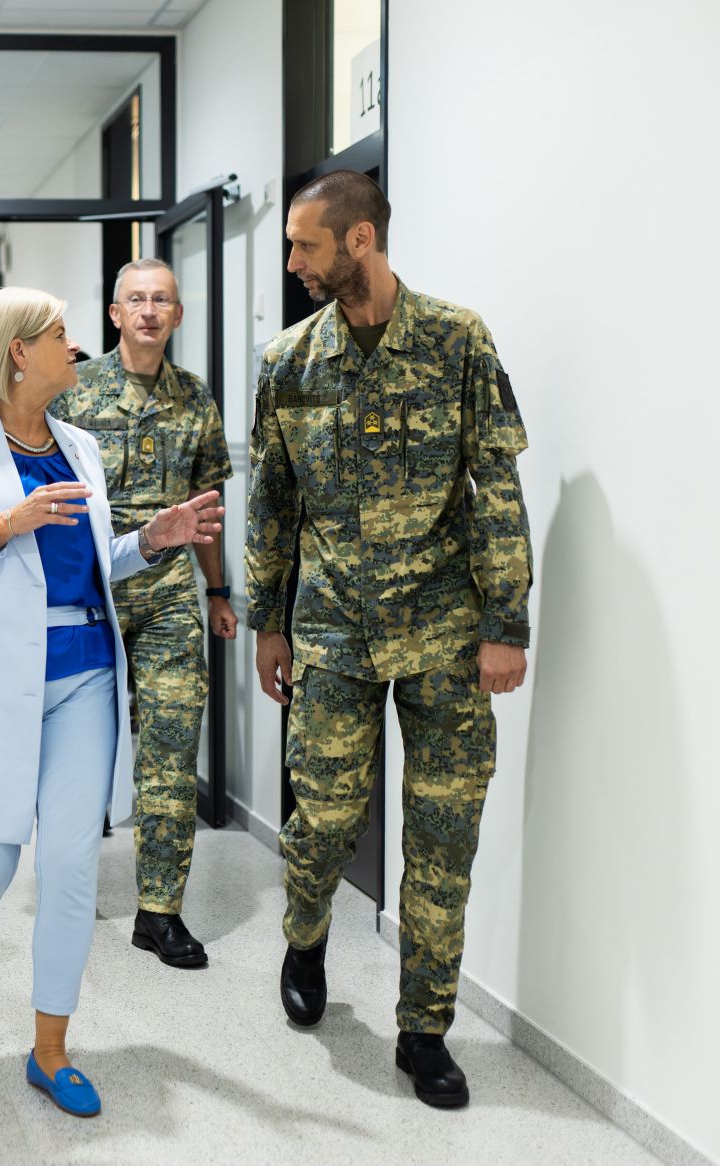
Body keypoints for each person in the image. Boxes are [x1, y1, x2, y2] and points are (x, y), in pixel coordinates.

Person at [245, 171, 533, 1108]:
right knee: (323, 819)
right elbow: (272, 504)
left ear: (359, 239)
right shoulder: (289, 363)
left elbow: (497, 488)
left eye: (306, 246)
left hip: (446, 631)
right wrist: (269, 621)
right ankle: (306, 934)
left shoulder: (456, 340)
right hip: (330, 628)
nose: (293, 264)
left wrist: (506, 623)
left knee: (444, 834)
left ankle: (425, 1027)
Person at [0, 287, 222, 1117]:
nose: (75, 349)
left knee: (73, 864)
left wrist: (152, 540)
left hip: (82, 669)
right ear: (17, 351)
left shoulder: (79, 444)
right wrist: (8, 521)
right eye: (59, 336)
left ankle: (50, 1047)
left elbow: (86, 564)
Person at [52, 257, 235, 969]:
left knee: (168, 745)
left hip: (164, 599)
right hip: (91, 590)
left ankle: (159, 910)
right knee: (79, 751)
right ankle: (69, 885)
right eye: (137, 299)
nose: (150, 310)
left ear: (178, 315)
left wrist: (217, 592)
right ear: (115, 313)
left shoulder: (195, 398)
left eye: (163, 299)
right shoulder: (76, 390)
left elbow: (207, 508)